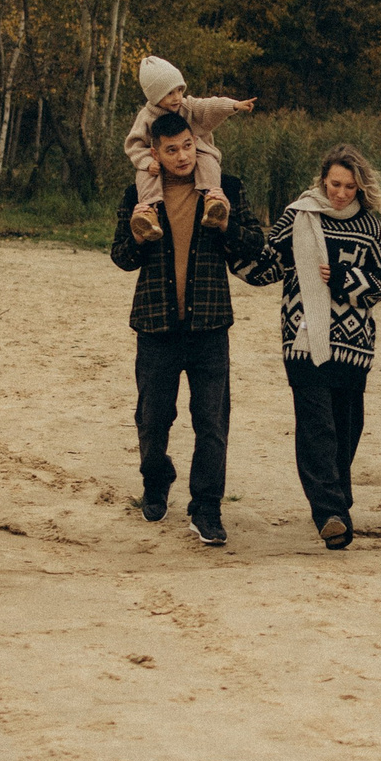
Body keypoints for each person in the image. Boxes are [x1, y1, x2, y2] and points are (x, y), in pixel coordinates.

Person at [108, 111, 266, 546]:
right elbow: (121, 256)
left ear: (197, 143)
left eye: (188, 146)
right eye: (171, 150)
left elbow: (255, 242)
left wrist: (226, 223)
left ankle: (207, 509)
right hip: (155, 326)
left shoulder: (224, 188)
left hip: (210, 326)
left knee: (212, 422)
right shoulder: (140, 193)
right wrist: (138, 236)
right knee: (152, 420)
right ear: (154, 153)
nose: (182, 157)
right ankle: (156, 482)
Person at [246, 144, 381, 551]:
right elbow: (265, 268)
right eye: (335, 184)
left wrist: (346, 278)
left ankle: (336, 500)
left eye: (350, 186)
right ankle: (331, 514)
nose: (341, 193)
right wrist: (232, 239)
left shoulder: (369, 227)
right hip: (304, 337)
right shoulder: (298, 215)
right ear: (322, 180)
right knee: (317, 429)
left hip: (354, 344)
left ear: (360, 186)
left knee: (347, 429)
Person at [123, 55, 256, 244]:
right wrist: (146, 162)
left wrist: (232, 105)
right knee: (145, 175)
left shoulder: (187, 105)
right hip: (156, 159)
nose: (177, 97)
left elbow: (209, 105)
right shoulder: (145, 117)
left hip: (198, 149)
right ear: (154, 96)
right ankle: (148, 213)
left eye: (179, 90)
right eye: (169, 93)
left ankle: (212, 199)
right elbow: (134, 145)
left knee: (208, 161)